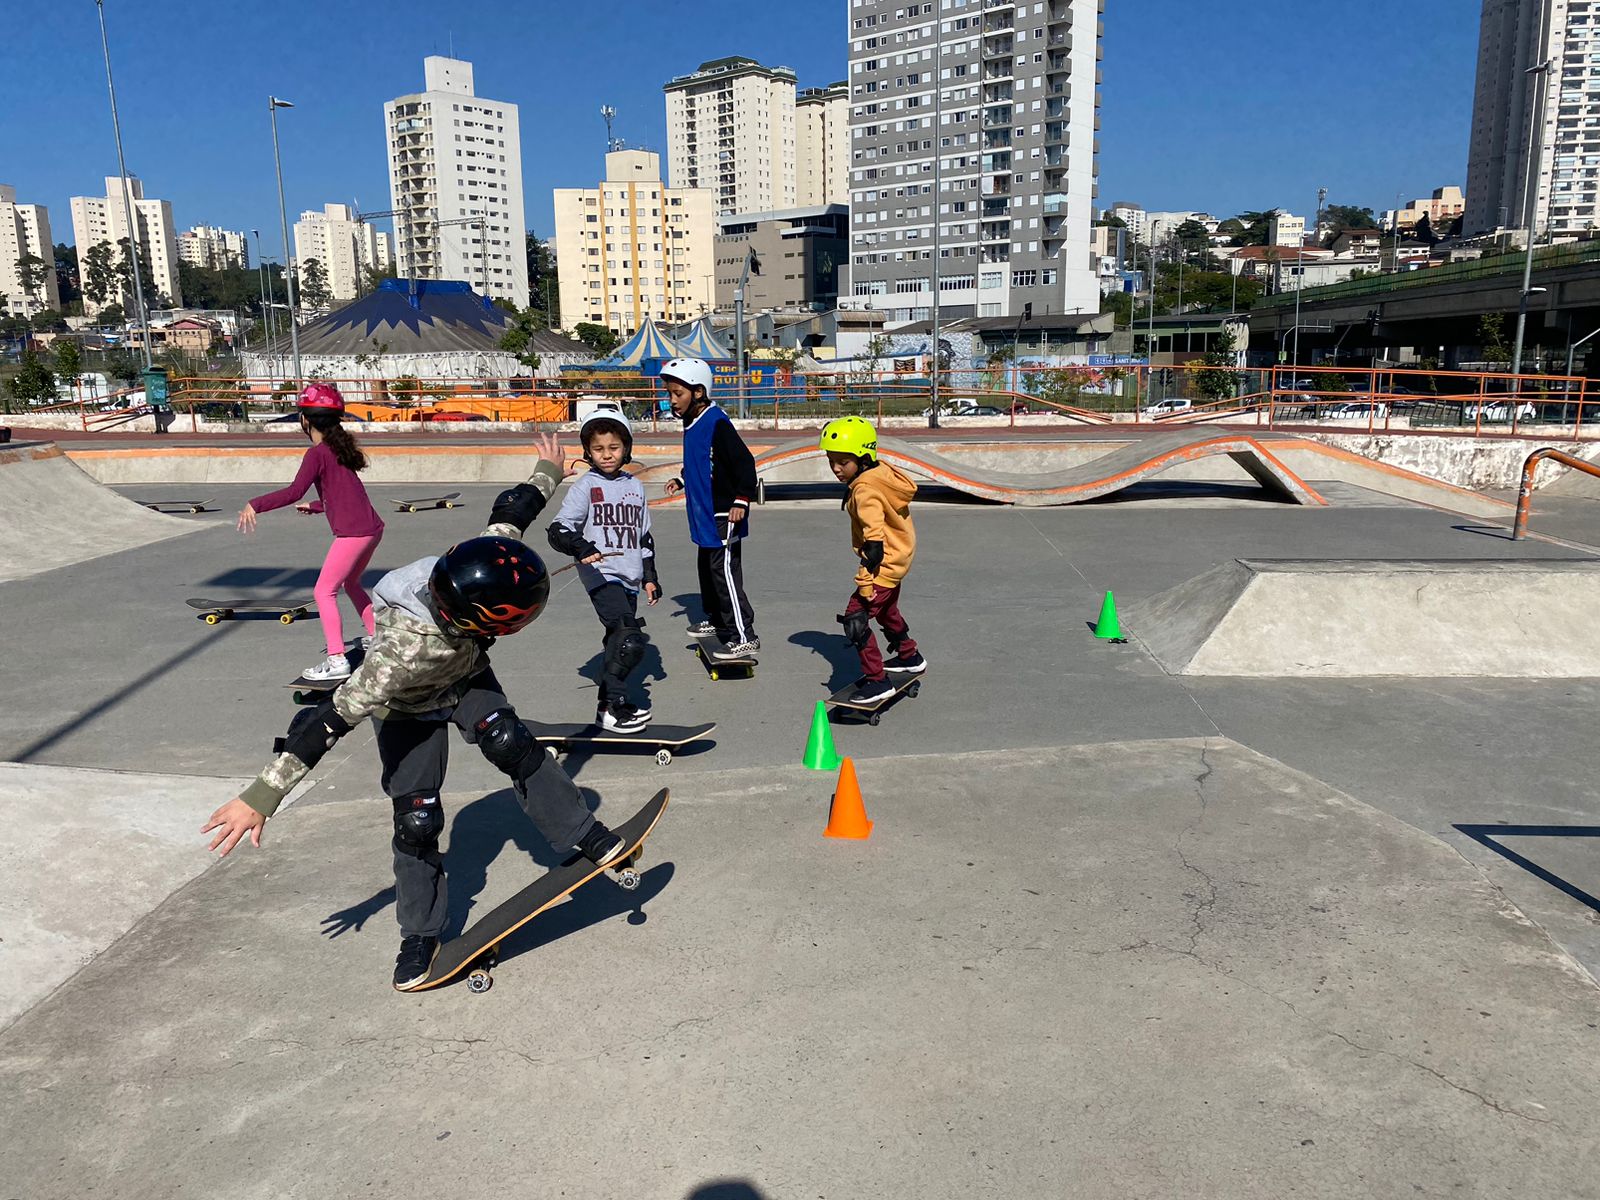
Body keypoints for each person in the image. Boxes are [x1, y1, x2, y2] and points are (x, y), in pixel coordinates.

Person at [203, 435, 635, 991]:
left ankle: (583, 833)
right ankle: (420, 933)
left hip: (463, 674)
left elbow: (510, 516)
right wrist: (259, 798)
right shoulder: (397, 659)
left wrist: (545, 470)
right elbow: (329, 721)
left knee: (511, 743)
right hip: (406, 705)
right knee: (417, 818)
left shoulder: (474, 565)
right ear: (481, 619)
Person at [238, 382, 383, 682]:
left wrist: (256, 504)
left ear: (305, 419)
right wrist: (318, 506)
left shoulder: (316, 453)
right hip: (371, 529)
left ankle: (336, 660)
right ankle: (377, 636)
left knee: (323, 591)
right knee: (352, 583)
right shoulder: (338, 449)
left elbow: (293, 491)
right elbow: (347, 494)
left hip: (353, 534)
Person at [546, 405, 661, 733]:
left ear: (626, 448)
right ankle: (613, 707)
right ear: (588, 452)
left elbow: (644, 537)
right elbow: (559, 530)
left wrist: (650, 577)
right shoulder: (586, 486)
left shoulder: (634, 487)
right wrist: (582, 547)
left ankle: (608, 705)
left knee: (617, 641)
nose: (607, 455)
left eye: (614, 448)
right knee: (629, 639)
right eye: (598, 449)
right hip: (601, 575)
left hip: (630, 576)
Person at [818, 416, 927, 703]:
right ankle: (909, 655)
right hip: (901, 557)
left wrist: (866, 578)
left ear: (863, 459)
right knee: (888, 609)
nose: (836, 469)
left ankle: (877, 682)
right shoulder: (880, 472)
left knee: (856, 618)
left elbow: (874, 543)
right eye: (832, 460)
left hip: (883, 563)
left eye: (844, 461)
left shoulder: (864, 490)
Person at [660, 358, 759, 660]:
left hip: (724, 511)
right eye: (670, 394)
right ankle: (717, 619)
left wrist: (742, 499)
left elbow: (745, 463)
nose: (672, 400)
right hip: (704, 512)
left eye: (678, 393)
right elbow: (703, 462)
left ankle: (744, 635)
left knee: (724, 572)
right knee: (707, 568)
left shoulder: (717, 423)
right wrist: (681, 478)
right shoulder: (692, 422)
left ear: (699, 392)